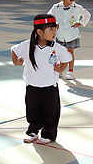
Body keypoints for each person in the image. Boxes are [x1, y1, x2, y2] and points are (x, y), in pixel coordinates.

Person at [11, 14, 72, 144]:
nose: (55, 32)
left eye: (55, 28)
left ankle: (48, 134)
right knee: (32, 110)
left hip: (50, 86)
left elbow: (67, 57)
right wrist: (16, 62)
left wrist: (61, 69)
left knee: (51, 112)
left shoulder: (57, 48)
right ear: (39, 32)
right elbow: (15, 50)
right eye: (51, 29)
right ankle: (32, 131)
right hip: (32, 85)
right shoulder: (28, 45)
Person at [48, 0, 91, 80]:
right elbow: (49, 16)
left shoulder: (77, 7)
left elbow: (87, 15)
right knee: (58, 53)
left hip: (72, 34)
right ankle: (60, 69)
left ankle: (70, 71)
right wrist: (54, 23)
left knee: (70, 53)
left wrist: (81, 23)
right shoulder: (56, 7)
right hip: (59, 34)